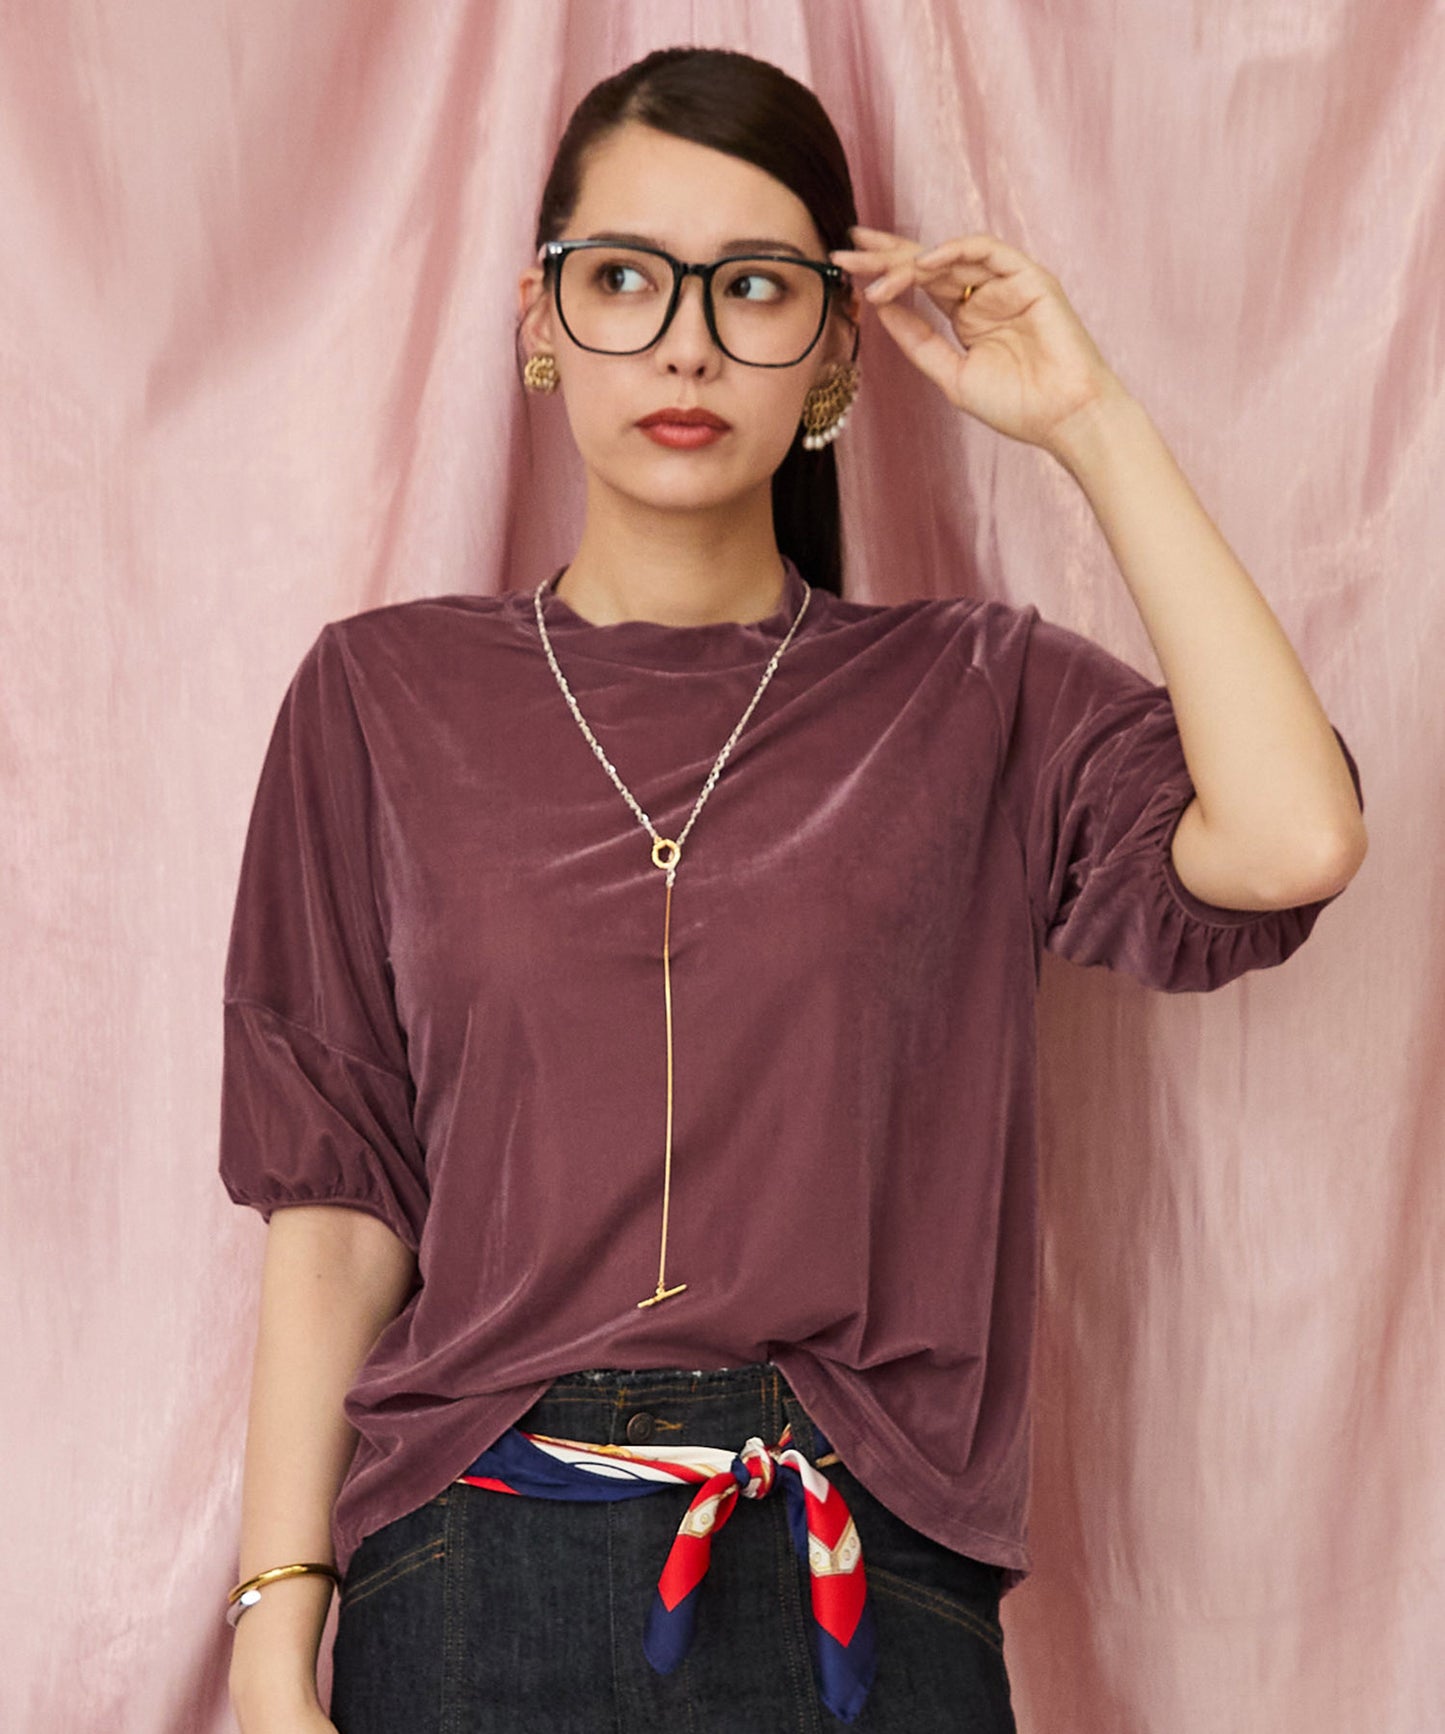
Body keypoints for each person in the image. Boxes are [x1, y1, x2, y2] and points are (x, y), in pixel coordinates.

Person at [218, 44, 1367, 1734]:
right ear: (538, 319)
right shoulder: (380, 696)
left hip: (860, 1577)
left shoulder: (971, 692)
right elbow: (336, 1209)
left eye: (752, 286)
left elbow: (1288, 840)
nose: (685, 342)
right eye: (623, 279)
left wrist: (1087, 421)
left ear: (833, 347)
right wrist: (272, 1637)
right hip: (476, 1572)